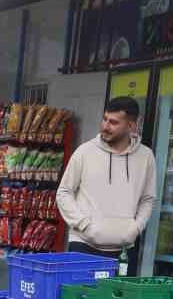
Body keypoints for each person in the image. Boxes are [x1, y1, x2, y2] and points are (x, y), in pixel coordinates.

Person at [55, 95, 157, 259]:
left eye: (114, 122)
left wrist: (136, 228)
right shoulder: (85, 151)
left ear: (131, 125)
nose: (105, 126)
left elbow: (148, 198)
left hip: (123, 248)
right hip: (84, 244)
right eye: (105, 119)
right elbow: (64, 192)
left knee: (117, 286)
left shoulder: (146, 157)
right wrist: (83, 224)